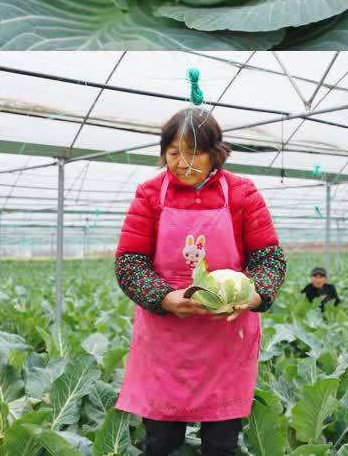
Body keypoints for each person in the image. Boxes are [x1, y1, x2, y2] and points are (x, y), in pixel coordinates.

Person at [113, 108, 287, 456]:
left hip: (226, 337)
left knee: (221, 444)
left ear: (214, 153)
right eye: (174, 153)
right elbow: (129, 263)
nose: (182, 162)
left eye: (193, 152)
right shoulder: (149, 194)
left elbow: (269, 258)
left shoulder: (241, 192)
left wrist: (255, 295)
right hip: (166, 338)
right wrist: (164, 297)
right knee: (161, 441)